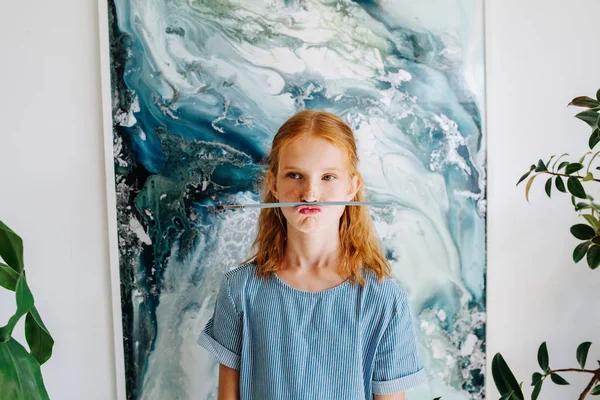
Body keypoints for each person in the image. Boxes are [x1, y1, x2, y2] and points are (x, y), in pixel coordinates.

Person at [198, 109, 426, 399]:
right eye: (295, 175)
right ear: (274, 184)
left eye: (328, 177)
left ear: (352, 186)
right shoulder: (239, 289)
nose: (310, 194)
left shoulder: (383, 300)